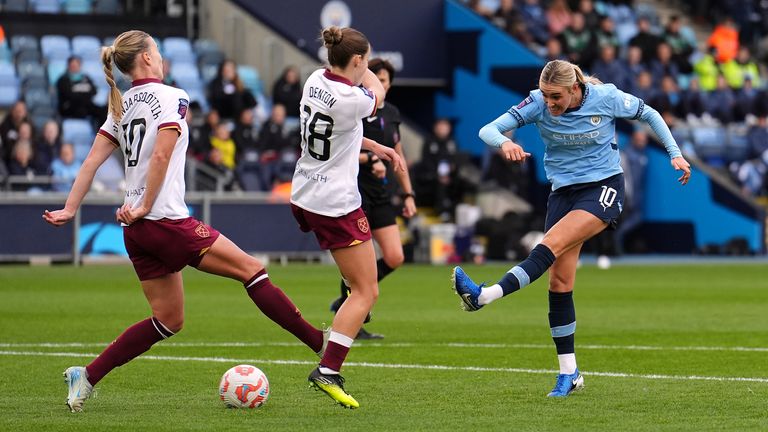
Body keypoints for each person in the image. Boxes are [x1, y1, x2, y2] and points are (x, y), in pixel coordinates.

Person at [43, 30, 327, 413]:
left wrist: (70, 208)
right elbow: (160, 157)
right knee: (253, 271)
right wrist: (144, 204)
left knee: (168, 319)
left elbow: (92, 161)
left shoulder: (121, 103)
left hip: (137, 230)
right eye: (156, 50)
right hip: (162, 221)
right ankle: (320, 344)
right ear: (145, 57)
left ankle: (87, 376)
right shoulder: (172, 96)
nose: (160, 55)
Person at [453, 59, 691, 397]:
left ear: (575, 89)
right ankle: (570, 373)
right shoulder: (536, 102)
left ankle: (484, 295)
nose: (550, 103)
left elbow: (650, 113)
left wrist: (675, 154)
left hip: (603, 187)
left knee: (550, 244)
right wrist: (505, 142)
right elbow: (487, 129)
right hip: (563, 193)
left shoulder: (605, 97)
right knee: (559, 281)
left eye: (556, 97)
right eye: (546, 96)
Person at [290, 26, 401, 408]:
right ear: (356, 61)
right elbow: (378, 96)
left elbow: (340, 130)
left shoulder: (313, 80)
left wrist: (374, 145)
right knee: (366, 290)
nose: (368, 67)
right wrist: (367, 68)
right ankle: (328, 368)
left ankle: (335, 333)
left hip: (304, 192)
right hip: (335, 203)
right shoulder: (353, 96)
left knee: (356, 281)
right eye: (365, 60)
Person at [328, 58, 417, 340]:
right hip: (355, 190)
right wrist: (370, 159)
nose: (382, 84)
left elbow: (397, 153)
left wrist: (408, 193)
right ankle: (354, 312)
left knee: (395, 256)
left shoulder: (391, 113)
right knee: (357, 259)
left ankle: (350, 298)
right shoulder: (355, 105)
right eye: (377, 78)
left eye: (386, 80)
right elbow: (341, 148)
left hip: (380, 193)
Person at [56, 55, 105, 122]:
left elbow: (94, 91)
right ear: (68, 66)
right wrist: (85, 92)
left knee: (103, 111)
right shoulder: (63, 79)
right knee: (82, 110)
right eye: (73, 66)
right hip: (70, 107)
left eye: (77, 65)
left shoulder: (86, 78)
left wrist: (79, 93)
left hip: (86, 105)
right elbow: (70, 95)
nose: (75, 68)